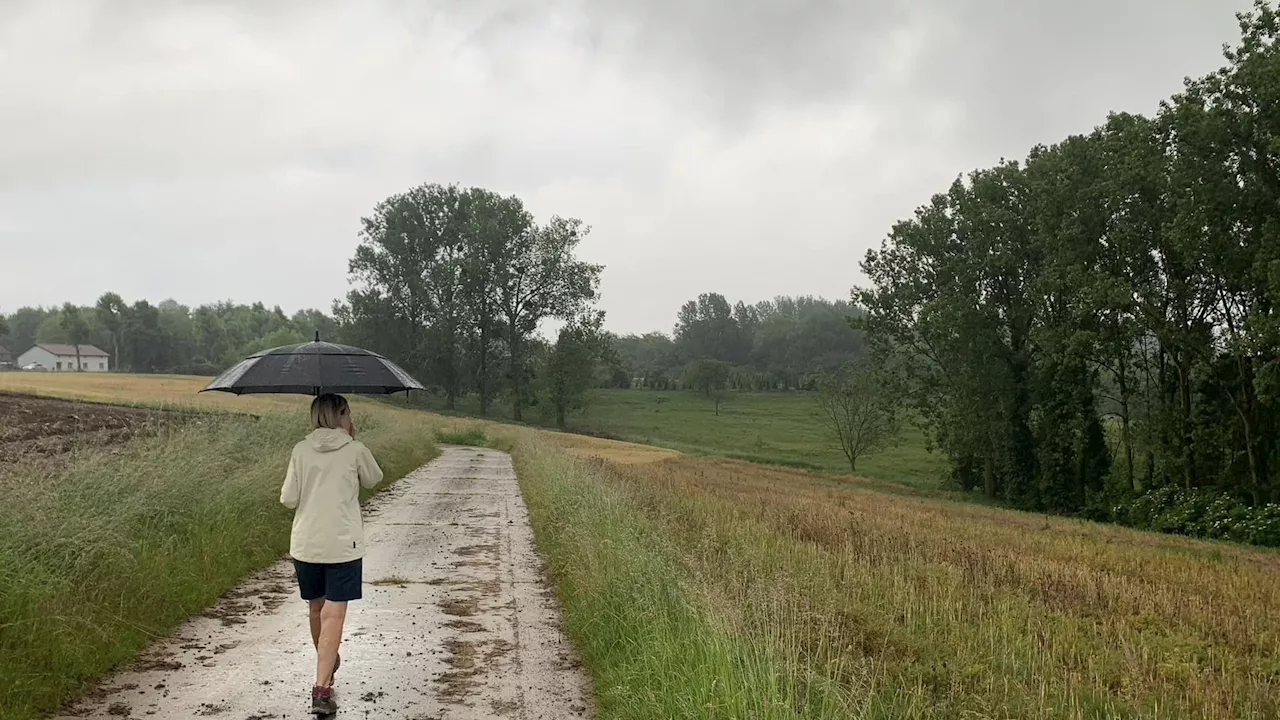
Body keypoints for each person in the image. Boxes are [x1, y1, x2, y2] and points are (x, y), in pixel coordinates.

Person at [280, 393, 383, 716]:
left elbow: (288, 499)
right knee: (334, 615)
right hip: (343, 546)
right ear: (341, 415)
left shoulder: (300, 450)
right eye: (348, 413)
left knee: (316, 610)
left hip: (306, 544)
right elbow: (374, 478)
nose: (351, 418)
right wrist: (355, 442)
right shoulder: (355, 450)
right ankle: (322, 688)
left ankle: (326, 664)